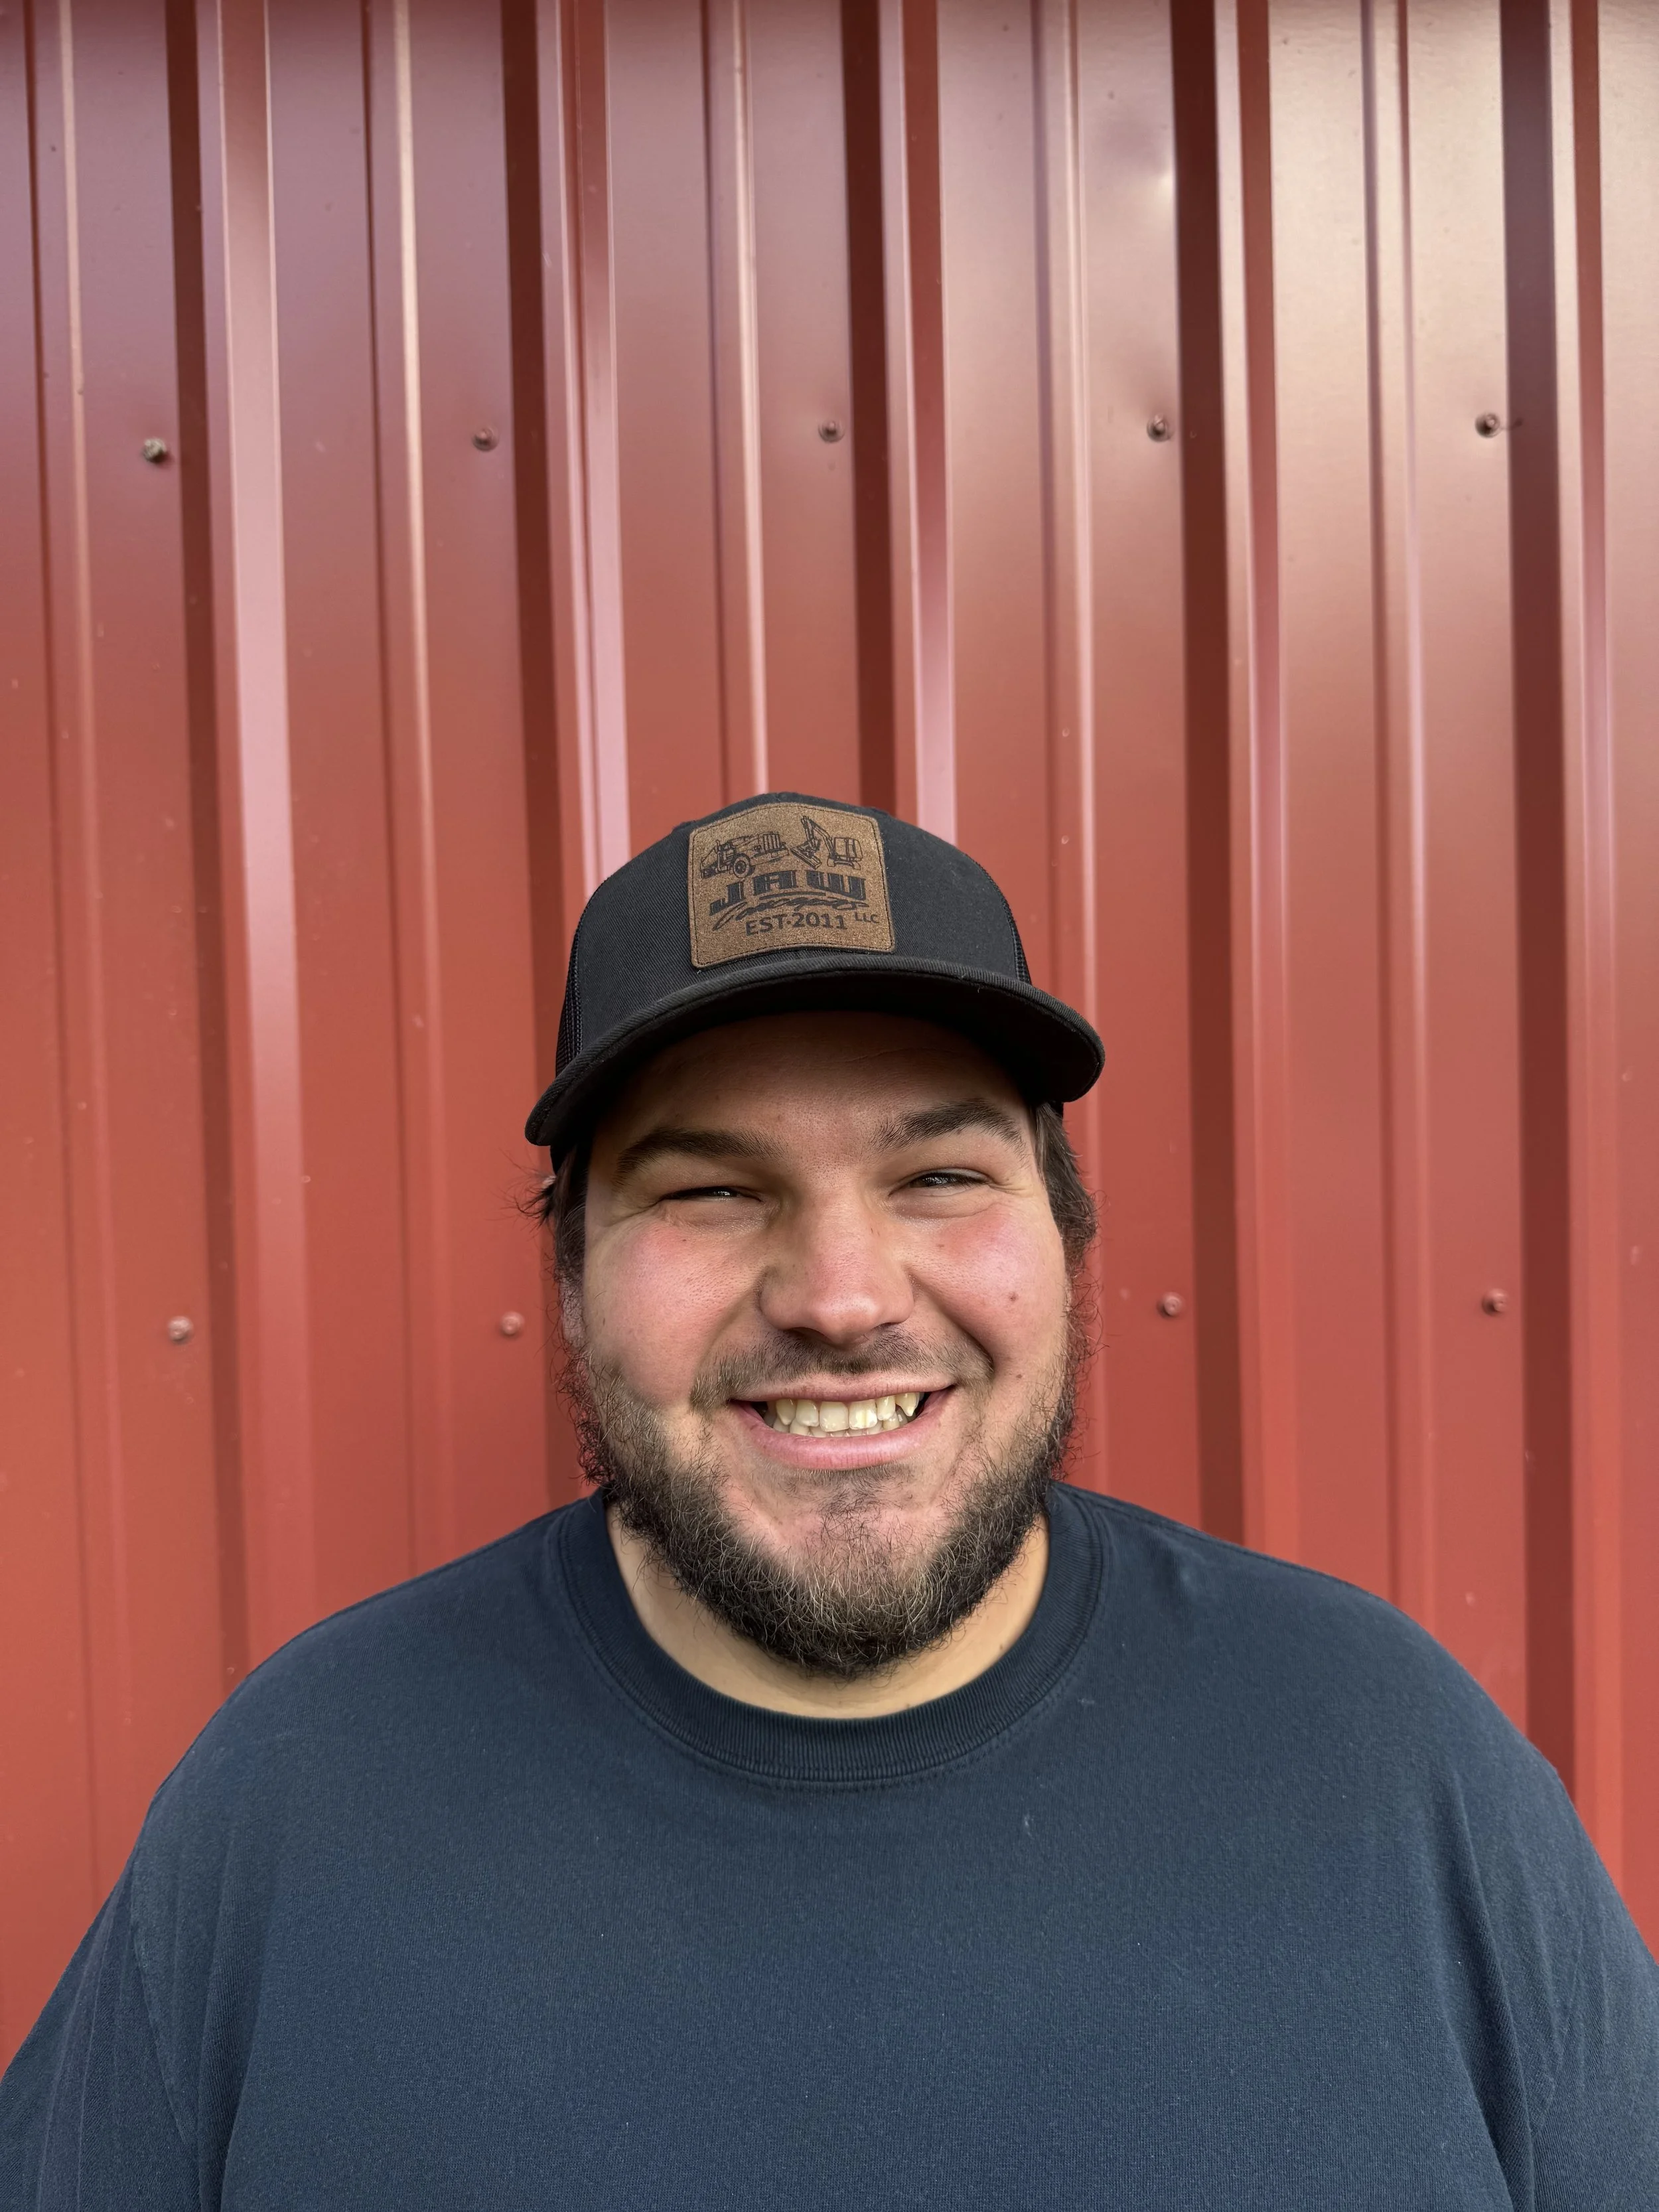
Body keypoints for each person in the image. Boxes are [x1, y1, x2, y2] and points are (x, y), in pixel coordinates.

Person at [3, 791, 1656, 2209]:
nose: (843, 1293)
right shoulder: (299, 1800)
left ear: (1063, 1245)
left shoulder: (1385, 1759)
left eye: (938, 1175)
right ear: (570, 1283)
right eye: (711, 1190)